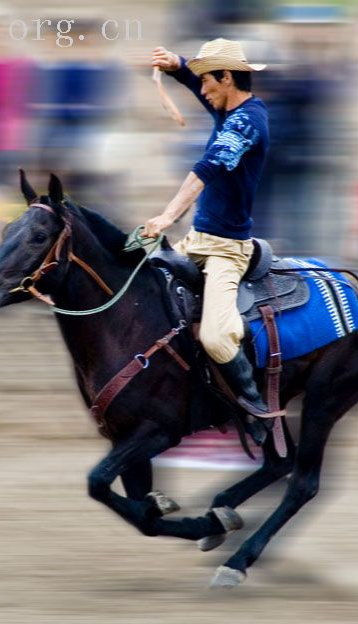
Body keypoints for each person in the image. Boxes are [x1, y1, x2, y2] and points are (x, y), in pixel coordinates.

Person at [143, 39, 278, 443]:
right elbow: (201, 86)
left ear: (227, 78)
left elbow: (207, 169)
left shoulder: (247, 123)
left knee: (217, 337)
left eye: (207, 83)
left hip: (227, 250)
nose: (202, 92)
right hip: (195, 241)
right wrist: (178, 65)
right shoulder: (228, 105)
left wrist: (168, 215)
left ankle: (256, 411)